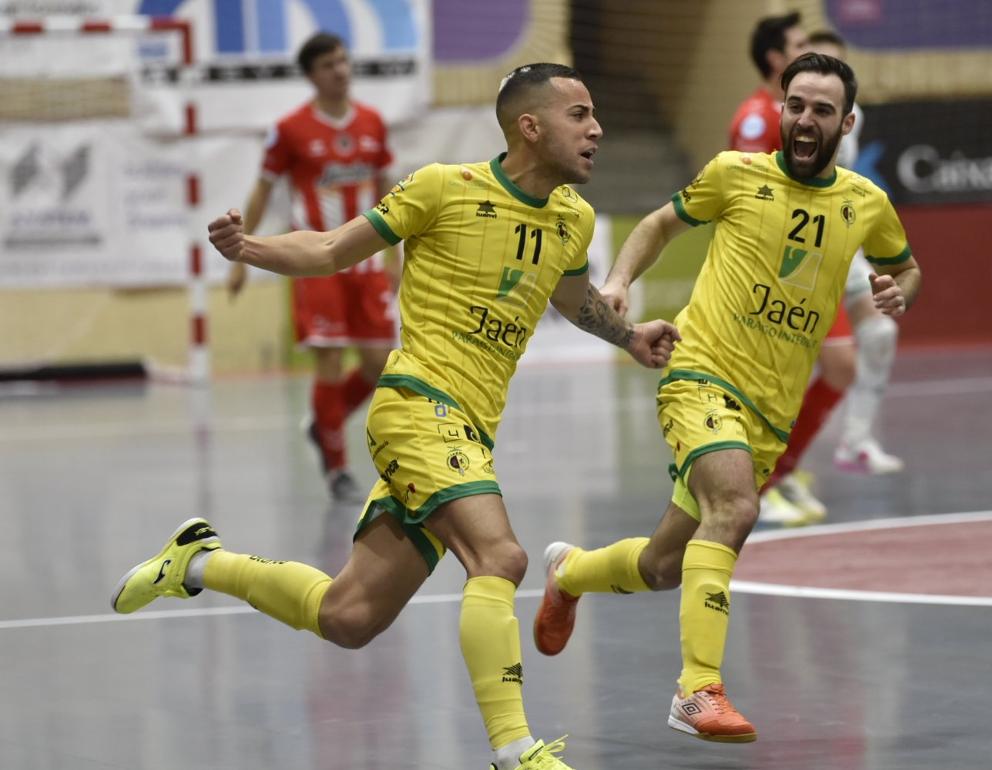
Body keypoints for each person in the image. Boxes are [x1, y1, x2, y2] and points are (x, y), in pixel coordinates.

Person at [110, 63, 680, 770]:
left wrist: (630, 337)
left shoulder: (573, 218)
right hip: (416, 409)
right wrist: (248, 247)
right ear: (529, 128)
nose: (597, 128)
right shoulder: (443, 188)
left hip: (469, 432)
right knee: (499, 556)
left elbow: (572, 298)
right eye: (580, 114)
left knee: (348, 618)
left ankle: (198, 562)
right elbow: (328, 249)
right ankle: (516, 753)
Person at [533, 53, 921, 743]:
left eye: (822, 110)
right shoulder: (735, 175)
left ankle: (570, 573)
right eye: (796, 104)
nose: (805, 119)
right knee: (736, 507)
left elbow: (906, 265)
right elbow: (656, 224)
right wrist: (619, 282)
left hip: (772, 411)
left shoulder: (865, 203)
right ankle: (696, 690)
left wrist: (899, 291)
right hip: (700, 375)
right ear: (782, 107)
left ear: (846, 122)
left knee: (662, 566)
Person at [227, 32, 398, 503]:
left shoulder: (373, 123)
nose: (339, 70)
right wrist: (242, 252)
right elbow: (262, 191)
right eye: (328, 65)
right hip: (317, 263)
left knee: (380, 361)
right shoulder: (290, 129)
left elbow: (389, 191)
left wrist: (393, 255)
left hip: (365, 263)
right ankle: (338, 469)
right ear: (311, 76)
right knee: (329, 356)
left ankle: (324, 424)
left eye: (343, 61)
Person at [758, 28, 905, 528]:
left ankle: (848, 444)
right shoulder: (762, 119)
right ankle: (763, 477)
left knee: (872, 338)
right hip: (793, 255)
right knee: (787, 372)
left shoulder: (847, 118)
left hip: (838, 245)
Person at [728, 12, 808, 153]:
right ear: (775, 59)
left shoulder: (806, 108)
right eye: (800, 46)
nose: (811, 52)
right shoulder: (757, 121)